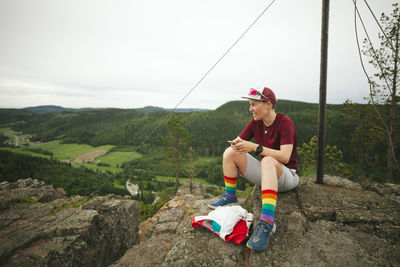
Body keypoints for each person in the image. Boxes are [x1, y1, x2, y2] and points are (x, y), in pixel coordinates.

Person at [208, 86, 299, 252]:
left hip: (288, 175)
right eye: (250, 105)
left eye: (254, 105)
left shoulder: (285, 123)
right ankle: (230, 195)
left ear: (268, 105)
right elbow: (238, 141)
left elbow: (285, 157)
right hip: (267, 175)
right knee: (230, 153)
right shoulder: (255, 123)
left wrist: (256, 147)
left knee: (268, 161)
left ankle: (267, 222)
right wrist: (236, 144)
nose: (250, 109)